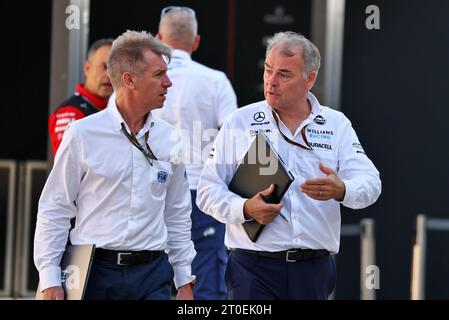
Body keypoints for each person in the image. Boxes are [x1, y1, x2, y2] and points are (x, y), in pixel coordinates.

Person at [196, 31, 382, 300]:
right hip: (252, 267)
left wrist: (342, 190)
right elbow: (207, 191)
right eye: (268, 70)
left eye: (284, 74)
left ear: (310, 79)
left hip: (313, 268)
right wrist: (246, 208)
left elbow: (371, 183)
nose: (271, 81)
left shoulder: (335, 124)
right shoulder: (240, 121)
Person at [34, 30, 196, 300]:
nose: (168, 83)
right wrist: (49, 277)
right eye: (159, 75)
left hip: (153, 276)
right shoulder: (82, 133)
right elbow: (55, 207)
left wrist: (184, 279)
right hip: (93, 275)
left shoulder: (170, 138)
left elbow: (177, 212)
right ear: (129, 79)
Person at [153, 6, 237, 300]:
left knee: (149, 278)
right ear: (196, 41)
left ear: (158, 38)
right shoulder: (215, 82)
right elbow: (236, 144)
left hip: (150, 193)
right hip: (202, 197)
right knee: (205, 288)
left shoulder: (135, 81)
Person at [48, 38, 114, 157]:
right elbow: (70, 164)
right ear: (87, 68)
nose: (109, 75)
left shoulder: (118, 110)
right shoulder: (70, 112)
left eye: (114, 69)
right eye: (104, 67)